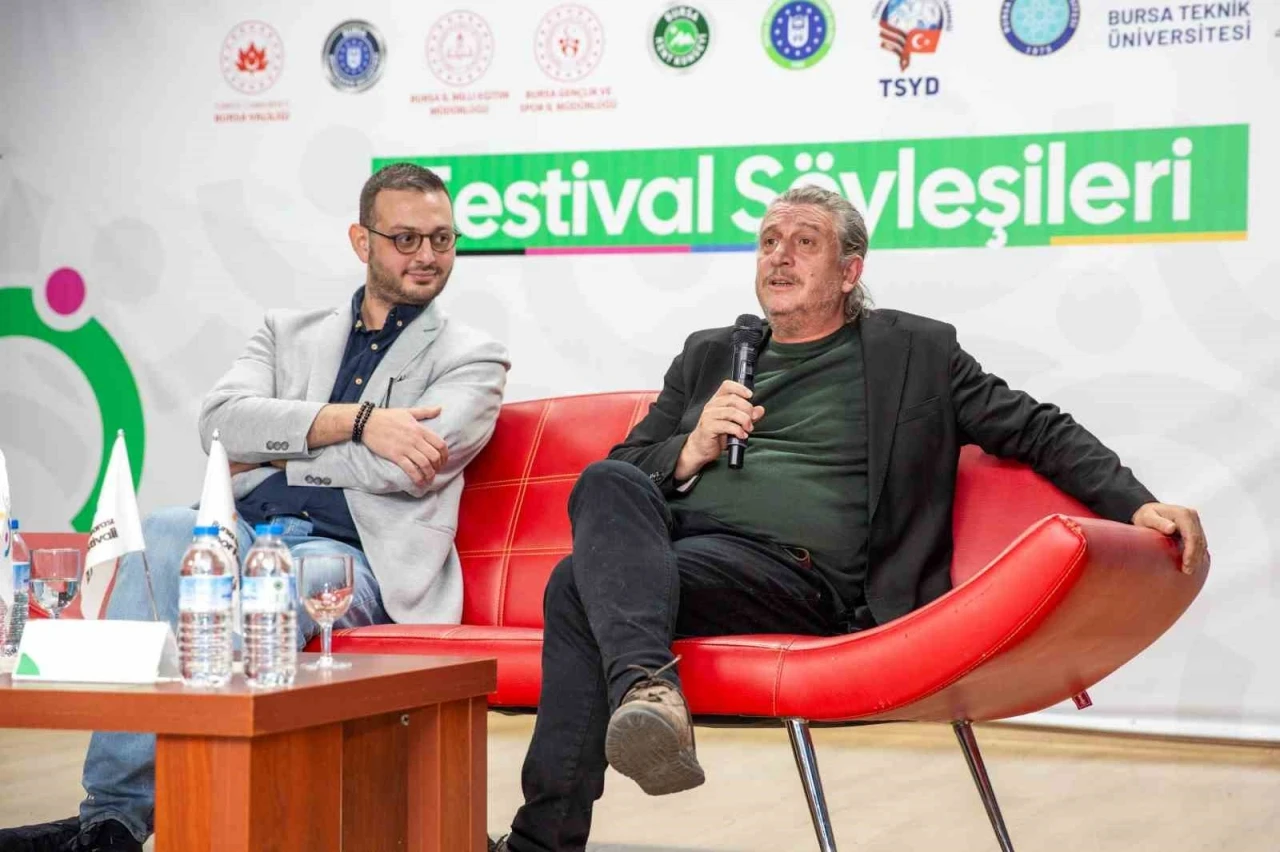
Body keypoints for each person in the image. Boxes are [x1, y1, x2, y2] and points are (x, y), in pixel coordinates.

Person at [489, 185, 1208, 852]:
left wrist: (1135, 501)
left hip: (802, 579)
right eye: (769, 241)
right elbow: (629, 464)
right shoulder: (711, 354)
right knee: (607, 483)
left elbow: (1037, 429)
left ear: (849, 271)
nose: (779, 255)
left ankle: (547, 837)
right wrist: (691, 446)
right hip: (682, 553)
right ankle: (647, 691)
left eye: (804, 242)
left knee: (575, 587)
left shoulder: (914, 352)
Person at [0, 163, 510, 852]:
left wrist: (274, 452)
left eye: (442, 239)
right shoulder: (286, 332)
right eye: (406, 239)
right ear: (362, 241)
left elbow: (408, 467)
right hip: (240, 525)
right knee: (166, 530)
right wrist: (359, 422)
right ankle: (112, 821)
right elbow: (218, 425)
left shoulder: (474, 356)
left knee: (267, 587)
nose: (427, 255)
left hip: (351, 557)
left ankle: (214, 818)